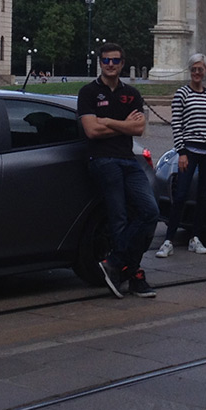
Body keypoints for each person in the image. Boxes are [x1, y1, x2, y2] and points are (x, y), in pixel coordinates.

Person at [77, 42, 158, 298]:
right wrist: (124, 124)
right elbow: (92, 130)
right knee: (119, 217)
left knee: (150, 212)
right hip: (102, 160)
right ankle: (133, 273)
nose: (110, 65)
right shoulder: (88, 92)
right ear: (100, 63)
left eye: (115, 60)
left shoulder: (131, 93)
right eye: (106, 61)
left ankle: (115, 261)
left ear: (122, 63)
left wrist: (110, 122)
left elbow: (138, 129)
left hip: (127, 159)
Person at [158, 53, 206, 257]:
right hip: (190, 150)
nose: (197, 72)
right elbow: (177, 125)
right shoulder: (181, 94)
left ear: (205, 71)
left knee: (203, 196)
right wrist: (181, 152)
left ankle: (196, 237)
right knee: (181, 194)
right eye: (194, 69)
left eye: (200, 69)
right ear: (190, 70)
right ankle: (168, 240)